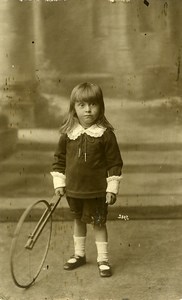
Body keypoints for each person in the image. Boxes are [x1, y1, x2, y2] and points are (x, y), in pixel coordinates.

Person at [51, 82, 123, 277]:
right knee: (78, 220)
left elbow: (115, 163)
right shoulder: (68, 134)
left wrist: (111, 188)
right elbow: (59, 159)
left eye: (93, 104)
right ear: (73, 108)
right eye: (82, 105)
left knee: (98, 223)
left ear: (101, 106)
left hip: (97, 191)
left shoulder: (105, 135)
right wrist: (59, 182)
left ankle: (103, 259)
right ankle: (79, 255)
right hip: (74, 190)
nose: (88, 110)